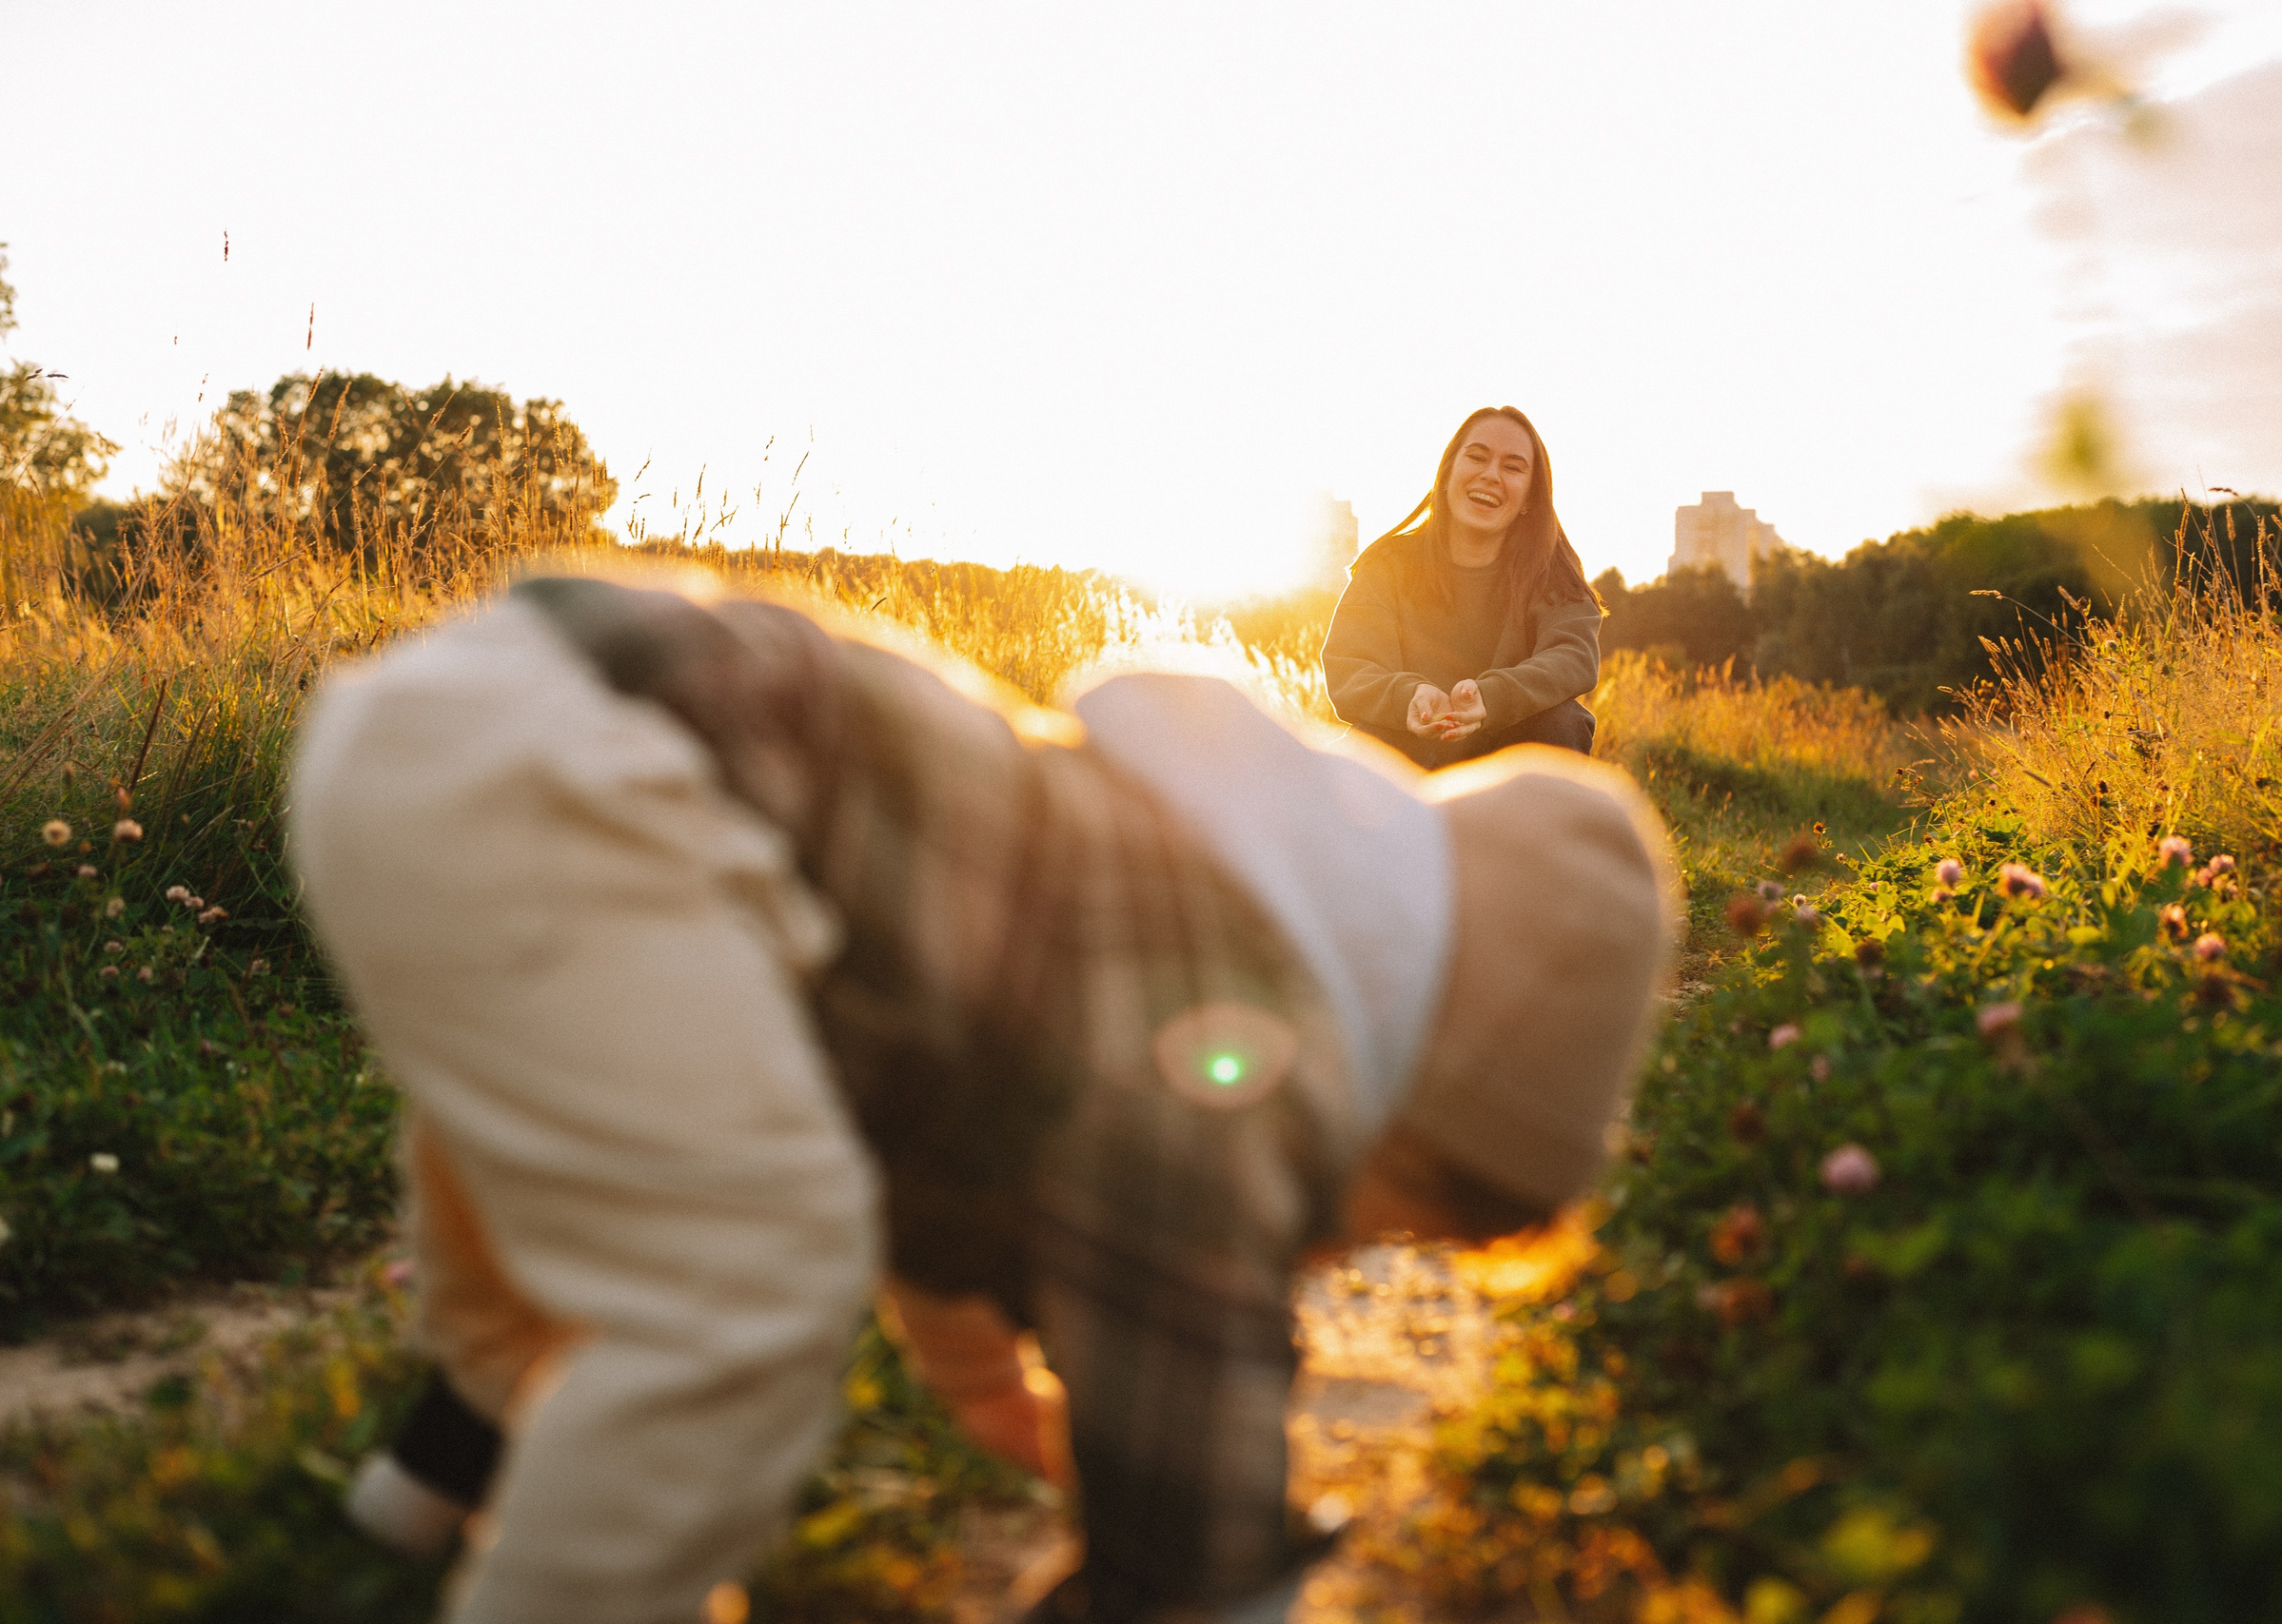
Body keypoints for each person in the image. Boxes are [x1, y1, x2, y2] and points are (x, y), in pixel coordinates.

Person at [291, 572, 1676, 1624]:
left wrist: (972, 1372)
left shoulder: (1137, 868)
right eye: (1401, 1215)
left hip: (457, 726)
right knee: (747, 1278)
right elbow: (1189, 1339)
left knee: (615, 1170)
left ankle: (423, 1485)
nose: (1350, 1253)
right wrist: (1213, 1579)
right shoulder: (1243, 1023)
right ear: (1401, 1070)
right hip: (592, 790)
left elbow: (941, 1141)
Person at [1322, 406, 1604, 769]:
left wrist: (1492, 698)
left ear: (1531, 498)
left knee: (1563, 722)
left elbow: (1573, 655)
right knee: (1367, 741)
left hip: (1509, 764)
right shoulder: (1387, 564)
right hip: (1409, 752)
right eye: (1477, 457)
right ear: (1448, 471)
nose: (1490, 475)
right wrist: (1408, 698)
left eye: (1513, 467)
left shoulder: (1553, 574)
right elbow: (1350, 664)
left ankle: (1532, 827)